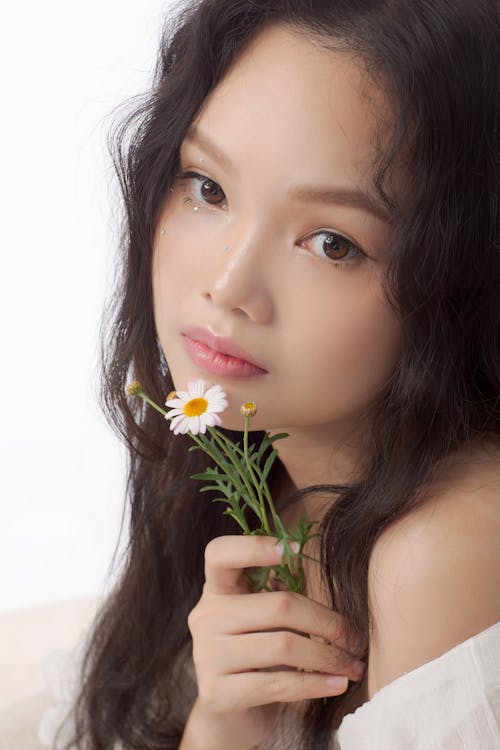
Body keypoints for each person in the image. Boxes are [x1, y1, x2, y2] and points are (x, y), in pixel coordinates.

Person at [42, 0, 499, 748]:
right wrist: (222, 725)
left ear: (463, 276)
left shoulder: (445, 552)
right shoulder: (265, 463)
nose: (227, 286)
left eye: (331, 242)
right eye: (208, 188)